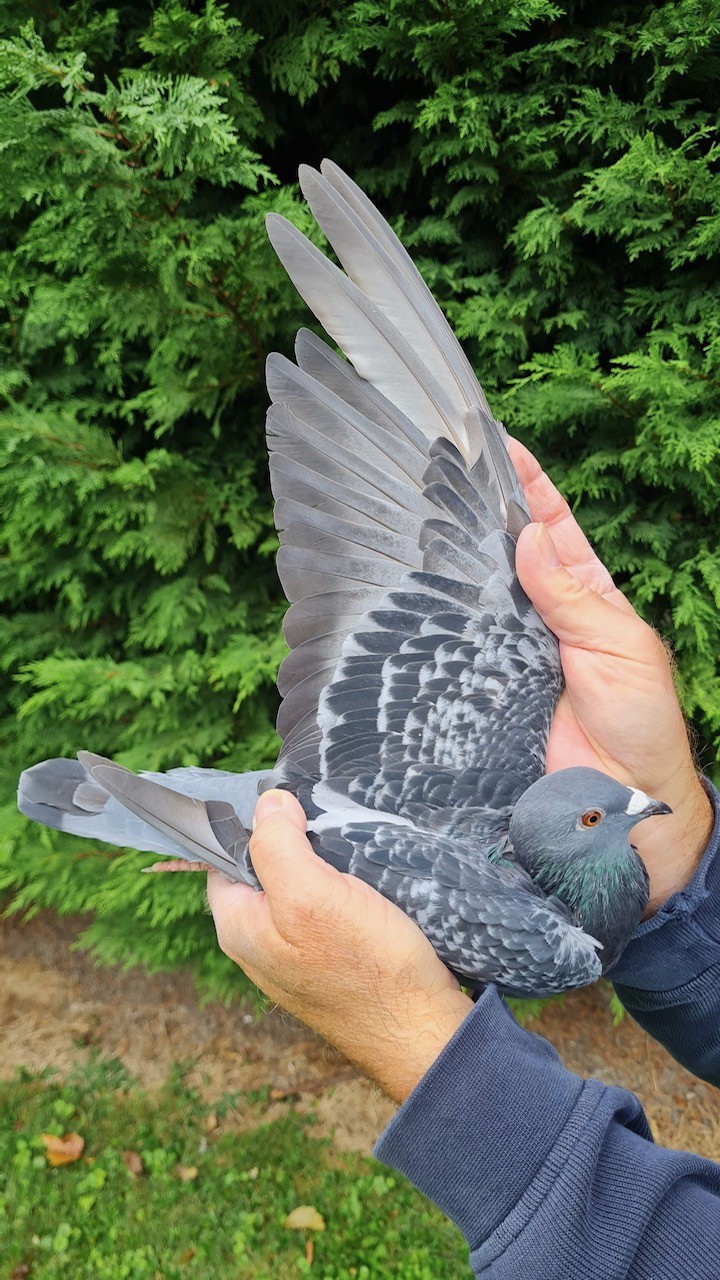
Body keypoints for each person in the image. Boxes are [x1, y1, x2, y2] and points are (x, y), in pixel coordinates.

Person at [203, 438, 720, 1277]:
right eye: (609, 809)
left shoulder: (560, 900)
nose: (643, 807)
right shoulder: (567, 943)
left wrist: (411, 1033)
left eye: (616, 808)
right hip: (318, 822)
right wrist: (682, 831)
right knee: (506, 605)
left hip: (333, 813)